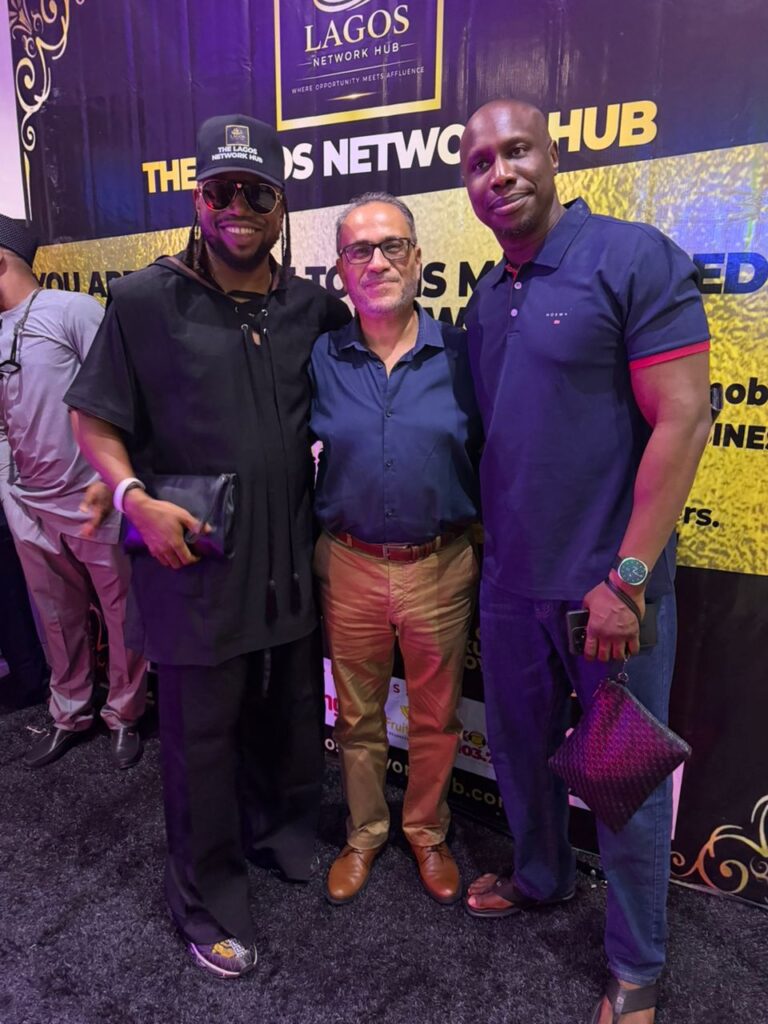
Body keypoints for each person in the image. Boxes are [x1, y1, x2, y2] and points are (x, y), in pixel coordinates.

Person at [65, 114, 351, 979]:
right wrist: (129, 497)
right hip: (192, 567)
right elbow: (94, 419)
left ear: (280, 205)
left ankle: (280, 839)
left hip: (286, 563)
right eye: (221, 190)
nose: (238, 207)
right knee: (200, 746)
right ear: (198, 198)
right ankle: (205, 902)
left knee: (289, 721)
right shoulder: (143, 300)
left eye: (257, 192)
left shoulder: (313, 308)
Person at [459, 100, 712, 1024]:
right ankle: (540, 877)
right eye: (479, 161)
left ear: (554, 155)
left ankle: (636, 966)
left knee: (625, 787)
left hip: (610, 596)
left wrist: (628, 581)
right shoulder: (486, 298)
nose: (499, 172)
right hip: (510, 588)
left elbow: (685, 419)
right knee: (519, 756)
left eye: (516, 150)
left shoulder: (633, 257)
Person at [311, 193, 482, 906]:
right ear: (341, 270)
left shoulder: (465, 354)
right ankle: (364, 832)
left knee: (436, 717)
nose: (377, 261)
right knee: (356, 717)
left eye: (392, 247)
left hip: (440, 565)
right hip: (348, 563)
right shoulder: (320, 357)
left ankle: (427, 831)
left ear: (417, 259)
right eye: (360, 250)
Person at [0, 215, 146, 767]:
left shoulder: (73, 311)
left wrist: (111, 481)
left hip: (93, 500)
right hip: (28, 505)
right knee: (56, 619)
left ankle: (125, 714)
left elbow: (123, 397)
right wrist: (8, 491)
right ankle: (69, 713)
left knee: (122, 613)